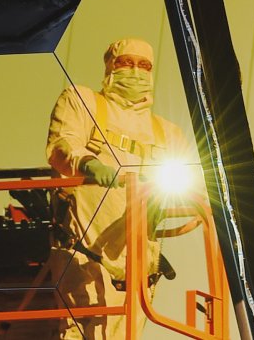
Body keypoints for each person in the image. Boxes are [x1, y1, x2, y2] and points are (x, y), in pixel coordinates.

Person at [46, 37, 197, 339]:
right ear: (111, 66)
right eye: (126, 62)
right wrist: (87, 163)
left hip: (138, 260)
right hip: (82, 246)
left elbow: (195, 187)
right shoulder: (83, 101)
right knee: (79, 330)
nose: (135, 71)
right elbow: (62, 143)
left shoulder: (168, 132)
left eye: (144, 66)